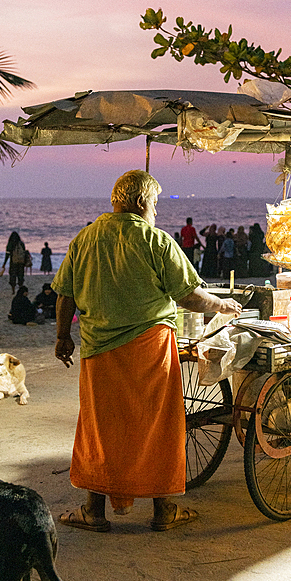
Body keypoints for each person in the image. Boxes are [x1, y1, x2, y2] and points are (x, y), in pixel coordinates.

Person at [52, 169, 242, 532]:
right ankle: (163, 510)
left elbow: (65, 295)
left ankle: (94, 510)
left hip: (99, 350)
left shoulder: (85, 239)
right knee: (157, 426)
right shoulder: (156, 241)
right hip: (150, 351)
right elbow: (188, 295)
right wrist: (221, 304)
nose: (156, 211)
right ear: (141, 202)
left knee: (99, 428)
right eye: (154, 203)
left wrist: (63, 337)